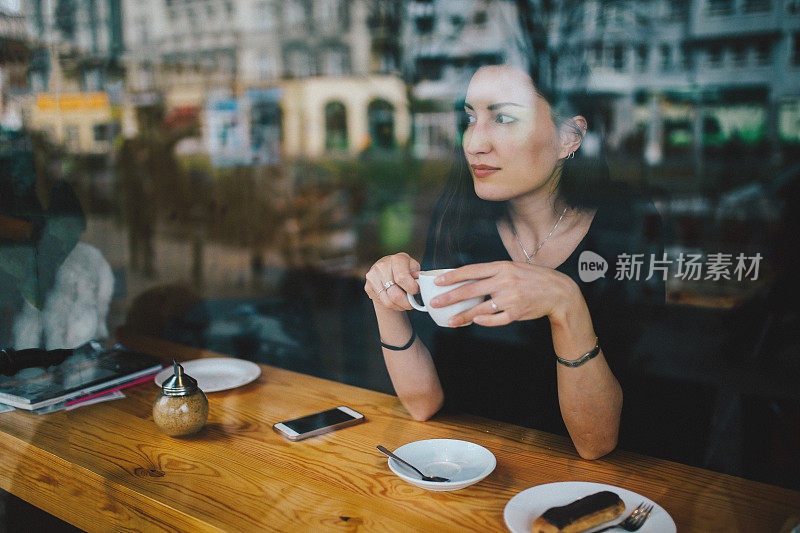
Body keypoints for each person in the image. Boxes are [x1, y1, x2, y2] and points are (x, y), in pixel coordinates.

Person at [364, 65, 663, 460]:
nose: (474, 143)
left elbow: (597, 443)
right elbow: (423, 405)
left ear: (568, 138)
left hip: (580, 483)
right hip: (465, 466)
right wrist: (386, 297)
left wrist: (566, 304)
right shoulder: (460, 215)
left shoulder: (625, 225)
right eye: (470, 118)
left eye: (503, 118)